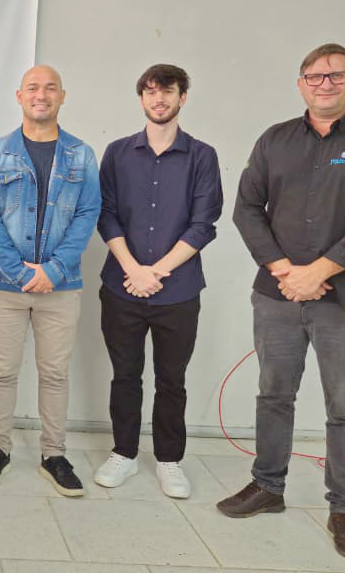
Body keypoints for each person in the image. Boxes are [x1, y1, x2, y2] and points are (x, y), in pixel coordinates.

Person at [219, 43, 345, 561]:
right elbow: (246, 208)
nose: (324, 84)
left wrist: (321, 270)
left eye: (336, 75)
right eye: (314, 76)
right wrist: (285, 271)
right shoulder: (274, 139)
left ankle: (344, 509)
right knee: (273, 394)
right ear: (300, 83)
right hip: (278, 295)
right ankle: (268, 486)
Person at [92, 64, 222, 499]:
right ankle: (124, 454)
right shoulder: (117, 153)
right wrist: (133, 269)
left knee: (172, 379)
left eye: (167, 91)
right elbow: (106, 214)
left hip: (178, 292)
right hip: (121, 287)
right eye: (150, 91)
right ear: (141, 99)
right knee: (125, 376)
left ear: (182, 98)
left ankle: (169, 460)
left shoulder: (202, 156)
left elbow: (203, 224)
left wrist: (155, 271)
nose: (158, 99)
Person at [0, 65, 102, 496]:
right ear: (19, 96)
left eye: (49, 88)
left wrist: (54, 270)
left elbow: (88, 213)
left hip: (61, 287)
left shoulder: (81, 155)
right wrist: (19, 271)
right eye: (32, 88)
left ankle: (54, 455)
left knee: (55, 374)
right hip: (4, 285)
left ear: (62, 96)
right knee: (2, 371)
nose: (40, 95)